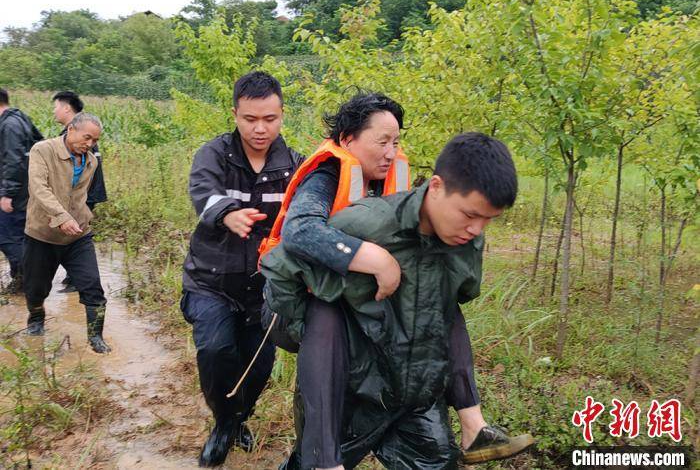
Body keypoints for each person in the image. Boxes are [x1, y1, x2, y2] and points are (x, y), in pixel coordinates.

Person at [259, 94, 529, 470]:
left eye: (396, 142)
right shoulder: (327, 175)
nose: (390, 152)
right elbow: (300, 233)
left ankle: (473, 421)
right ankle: (325, 459)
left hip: (363, 307)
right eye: (381, 142)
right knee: (329, 308)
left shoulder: (401, 195)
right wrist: (374, 258)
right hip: (296, 302)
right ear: (348, 140)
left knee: (440, 299)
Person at [180, 71, 304, 467]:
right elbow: (204, 192)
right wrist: (228, 214)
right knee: (216, 352)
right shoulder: (213, 154)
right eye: (250, 119)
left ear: (282, 115)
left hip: (266, 288)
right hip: (211, 280)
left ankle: (239, 418)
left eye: (270, 118)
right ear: (235, 114)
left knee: (258, 367)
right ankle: (223, 424)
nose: (260, 128)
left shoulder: (296, 167)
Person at [23, 112, 111, 354]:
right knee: (36, 288)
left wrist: (81, 219)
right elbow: (38, 188)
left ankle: (96, 338)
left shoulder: (91, 161)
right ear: (70, 129)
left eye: (94, 140)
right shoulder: (43, 150)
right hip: (42, 235)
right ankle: (36, 318)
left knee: (93, 287)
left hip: (78, 236)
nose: (90, 144)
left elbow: (81, 197)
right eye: (87, 138)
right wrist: (61, 217)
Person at [52, 91, 108, 293]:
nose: (54, 112)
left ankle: (77, 279)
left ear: (67, 107)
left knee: (73, 234)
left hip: (83, 195)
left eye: (56, 107)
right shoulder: (77, 135)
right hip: (86, 194)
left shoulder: (83, 136)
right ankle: (73, 277)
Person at [0, 88, 44, 294]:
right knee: (18, 236)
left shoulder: (9, 125)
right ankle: (22, 279)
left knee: (8, 237)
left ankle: (27, 282)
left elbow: (14, 161)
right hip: (25, 190)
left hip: (15, 193)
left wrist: (7, 193)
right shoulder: (20, 118)